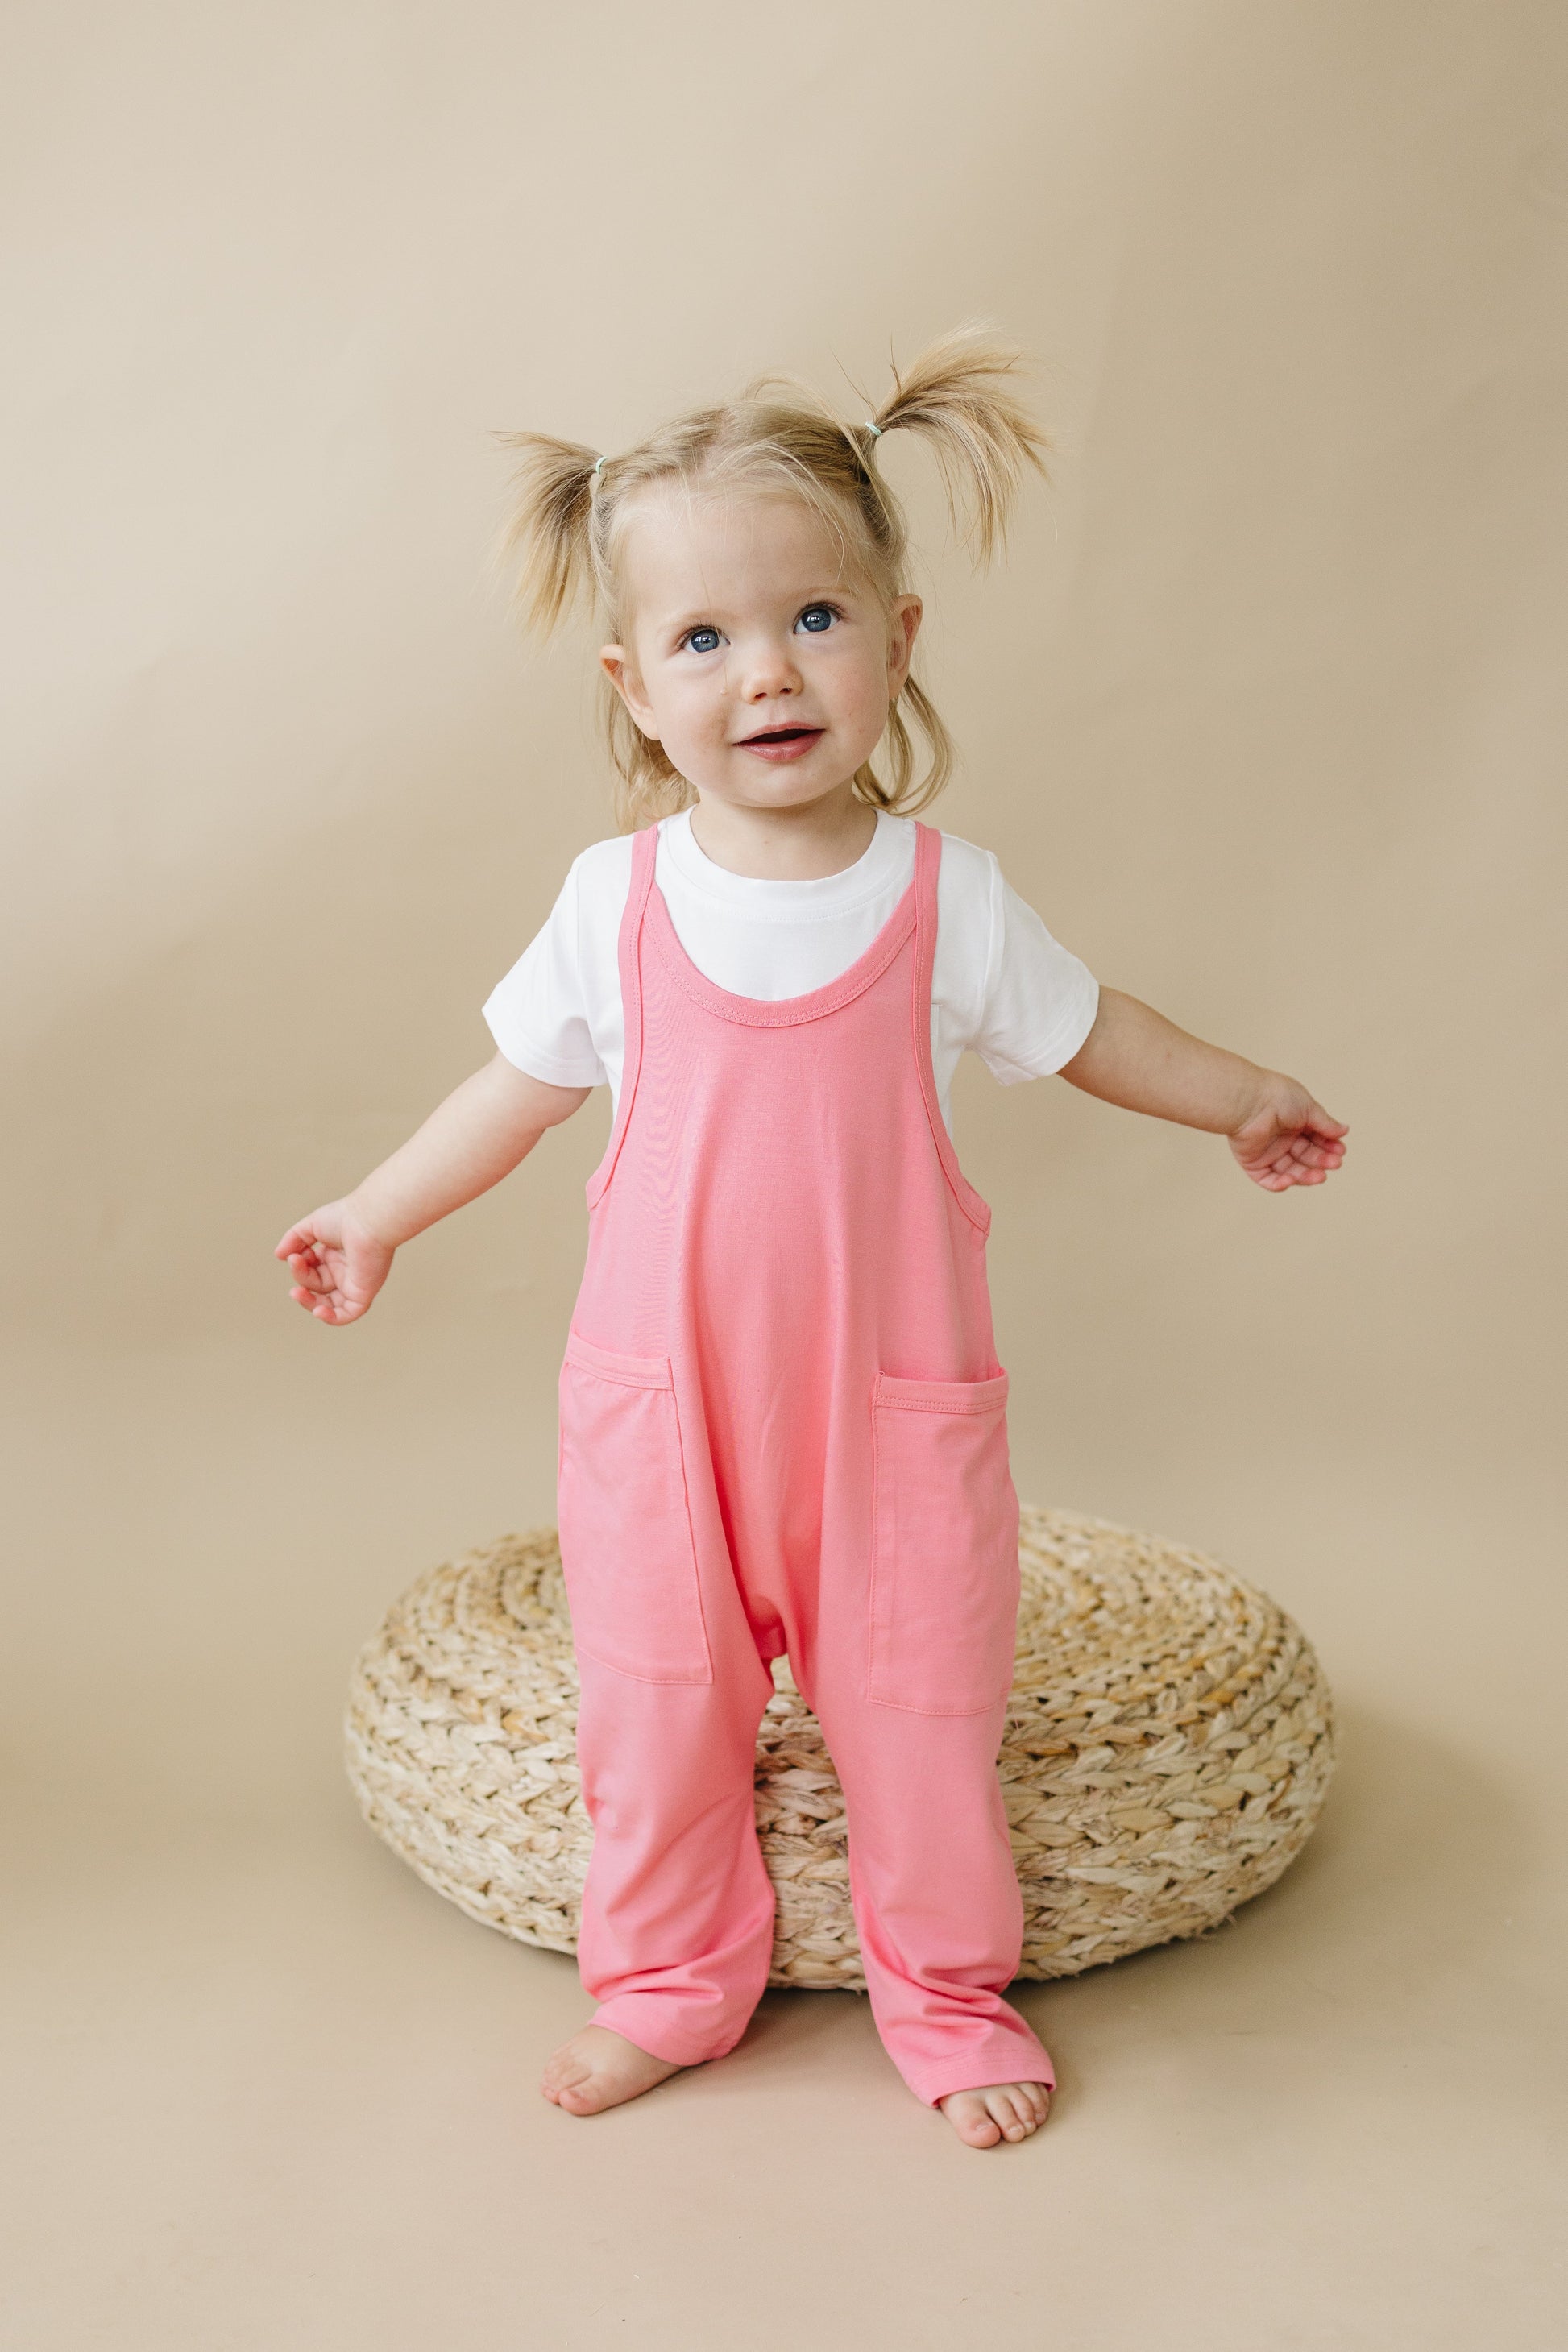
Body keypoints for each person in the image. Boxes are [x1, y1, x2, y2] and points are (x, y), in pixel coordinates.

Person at [276, 329, 1347, 2150]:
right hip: (663, 1423)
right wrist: (374, 1211)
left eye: (814, 619)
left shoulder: (946, 899)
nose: (765, 670)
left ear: (898, 640)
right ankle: (667, 1987)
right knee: (656, 1718)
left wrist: (1242, 1093)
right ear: (634, 686)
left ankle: (947, 1993)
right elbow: (511, 1091)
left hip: (890, 1426)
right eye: (703, 638)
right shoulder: (614, 901)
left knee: (923, 1721)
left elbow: (1098, 1032)